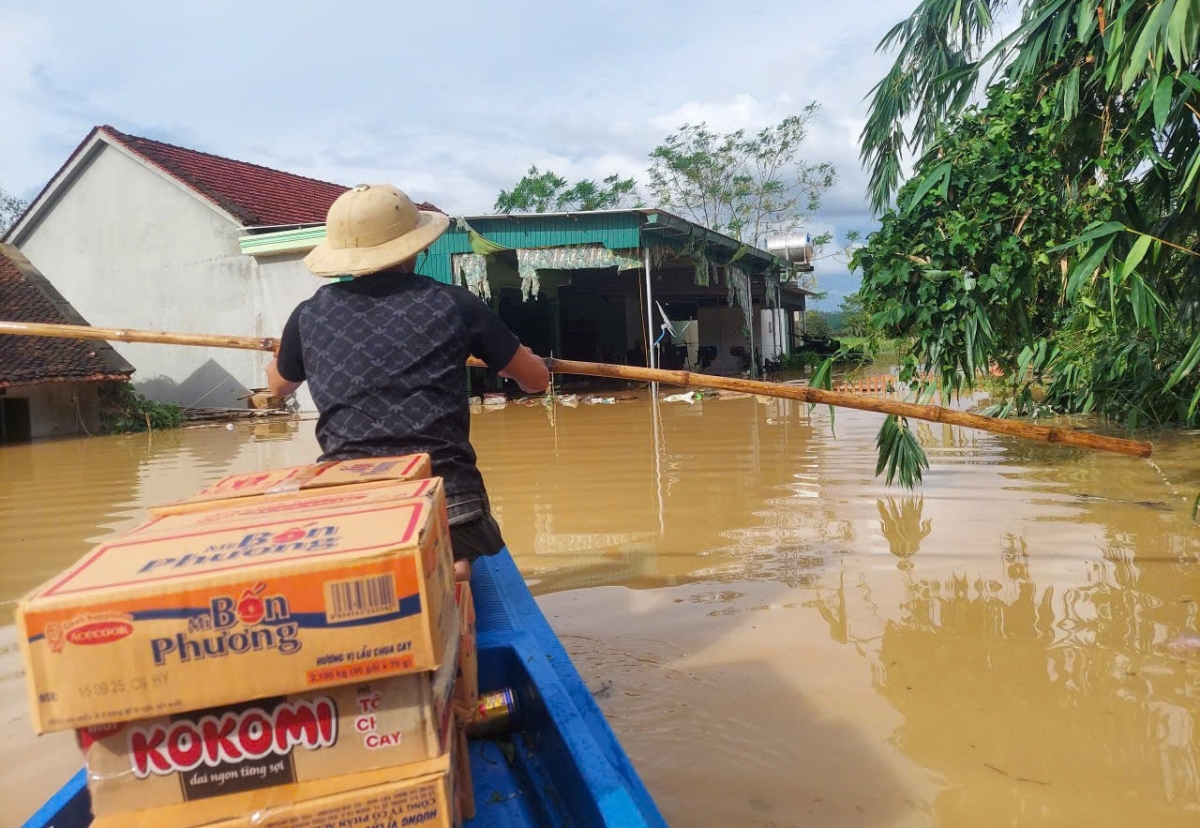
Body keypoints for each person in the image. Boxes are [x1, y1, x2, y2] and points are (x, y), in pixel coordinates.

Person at [267, 184, 549, 581]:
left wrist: (282, 351)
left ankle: (434, 568)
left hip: (349, 505)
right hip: (451, 506)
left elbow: (278, 387)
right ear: (415, 249)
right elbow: (536, 381)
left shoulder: (308, 314)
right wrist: (521, 360)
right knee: (454, 544)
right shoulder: (455, 303)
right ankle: (449, 564)